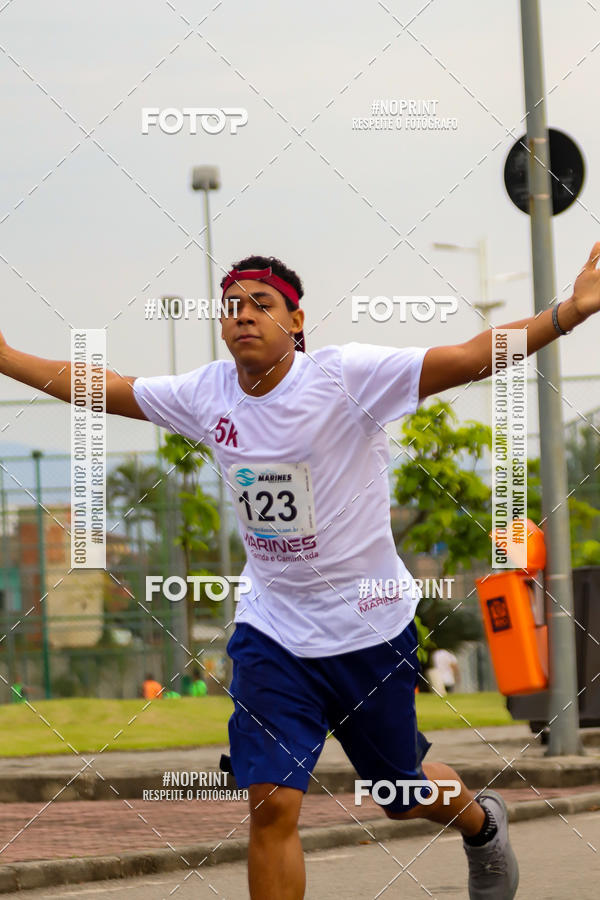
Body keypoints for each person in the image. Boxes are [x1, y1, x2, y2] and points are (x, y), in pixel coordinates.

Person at [2, 244, 600, 900]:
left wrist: (568, 312)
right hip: (274, 634)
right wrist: (7, 357)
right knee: (273, 805)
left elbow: (466, 358)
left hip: (368, 629)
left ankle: (482, 824)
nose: (244, 316)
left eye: (262, 304)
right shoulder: (209, 393)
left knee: (400, 790)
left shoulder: (347, 377)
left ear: (297, 321)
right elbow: (105, 388)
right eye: (231, 307)